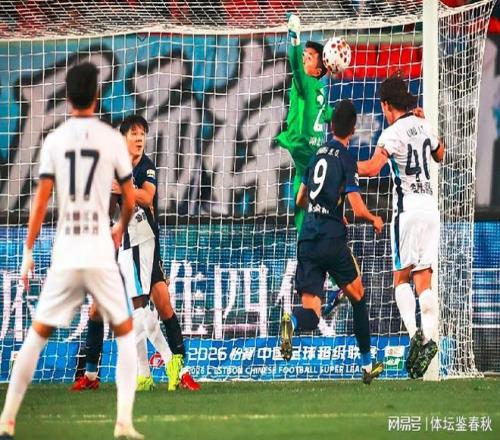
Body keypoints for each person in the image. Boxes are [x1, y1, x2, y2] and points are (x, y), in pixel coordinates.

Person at [0, 62, 143, 439]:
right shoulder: (111, 140)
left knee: (37, 334)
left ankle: (7, 420)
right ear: (97, 95)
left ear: (66, 97)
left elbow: (40, 200)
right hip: (98, 247)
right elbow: (129, 198)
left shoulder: (55, 139)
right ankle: (123, 423)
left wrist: (28, 250)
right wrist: (120, 226)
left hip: (66, 250)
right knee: (125, 332)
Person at [72, 115, 200, 392]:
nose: (140, 138)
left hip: (143, 241)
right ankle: (97, 374)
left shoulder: (145, 166)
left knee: (157, 304)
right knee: (105, 307)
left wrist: (122, 188)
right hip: (121, 244)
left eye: (142, 134)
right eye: (134, 134)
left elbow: (146, 196)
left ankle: (177, 367)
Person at [279, 99, 384, 384]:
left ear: (331, 126)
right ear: (353, 129)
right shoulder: (346, 158)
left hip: (308, 237)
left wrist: (324, 211)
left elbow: (300, 199)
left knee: (312, 314)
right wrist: (373, 218)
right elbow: (358, 208)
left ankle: (292, 321)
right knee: (358, 297)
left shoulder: (316, 155)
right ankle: (367, 365)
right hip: (331, 239)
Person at [357, 75, 444, 379]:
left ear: (385, 104)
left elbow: (371, 169)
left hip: (407, 211)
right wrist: (426, 124)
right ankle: (429, 339)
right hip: (430, 209)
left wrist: (343, 164)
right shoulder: (423, 123)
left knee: (400, 278)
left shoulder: (391, 133)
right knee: (424, 280)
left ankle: (414, 336)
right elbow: (440, 154)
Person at [276, 13, 345, 312]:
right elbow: (326, 113)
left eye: (309, 57)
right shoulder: (315, 87)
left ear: (319, 68)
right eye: (304, 54)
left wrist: (294, 40)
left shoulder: (311, 84)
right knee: (306, 208)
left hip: (305, 149)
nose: (304, 58)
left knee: (306, 212)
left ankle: (319, 275)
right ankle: (332, 279)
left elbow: (295, 67)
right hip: (309, 154)